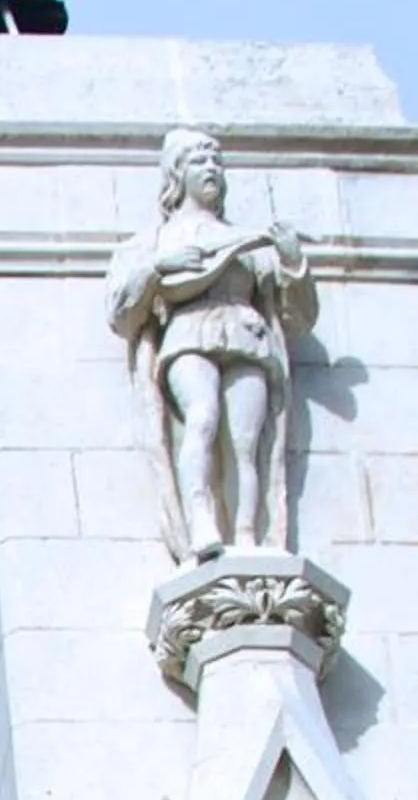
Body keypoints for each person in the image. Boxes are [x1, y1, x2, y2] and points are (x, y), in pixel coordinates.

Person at [105, 126, 316, 559]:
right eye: (200, 162)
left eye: (217, 163)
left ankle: (246, 536)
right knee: (201, 418)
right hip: (188, 335)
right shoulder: (155, 242)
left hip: (246, 334)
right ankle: (200, 522)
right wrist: (157, 269)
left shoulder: (247, 241)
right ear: (176, 174)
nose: (212, 170)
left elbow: (300, 315)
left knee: (245, 439)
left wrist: (293, 260)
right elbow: (122, 314)